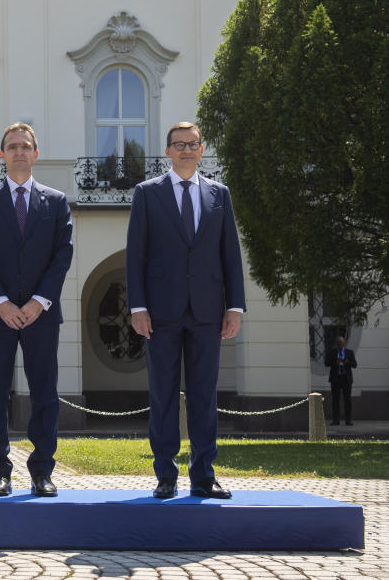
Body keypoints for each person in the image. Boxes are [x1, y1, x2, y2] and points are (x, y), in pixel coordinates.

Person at [126, 121, 245, 500]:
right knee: (162, 394)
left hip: (209, 311)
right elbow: (136, 256)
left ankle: (203, 475)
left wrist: (235, 306)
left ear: (202, 148)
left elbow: (230, 256)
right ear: (167, 151)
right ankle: (166, 475)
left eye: (192, 144)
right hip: (160, 312)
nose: (186, 150)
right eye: (179, 144)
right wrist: (138, 306)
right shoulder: (147, 194)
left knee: (204, 395)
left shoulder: (220, 195)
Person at [0, 123, 73, 497]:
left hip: (41, 314)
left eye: (25, 146)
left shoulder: (56, 202)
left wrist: (37, 302)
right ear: (2, 154)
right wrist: (2, 303)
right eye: (12, 147)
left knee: (44, 393)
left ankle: (42, 471)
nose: (19, 152)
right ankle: (0, 471)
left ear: (36, 153)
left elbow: (63, 254)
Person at [326, 335, 357, 426]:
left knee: (347, 400)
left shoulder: (349, 352)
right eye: (338, 344)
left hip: (346, 379)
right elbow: (326, 363)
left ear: (344, 344)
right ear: (336, 344)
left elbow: (355, 365)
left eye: (341, 344)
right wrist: (335, 362)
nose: (340, 346)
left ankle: (348, 420)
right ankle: (336, 420)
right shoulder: (332, 352)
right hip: (335, 379)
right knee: (335, 400)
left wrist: (347, 362)